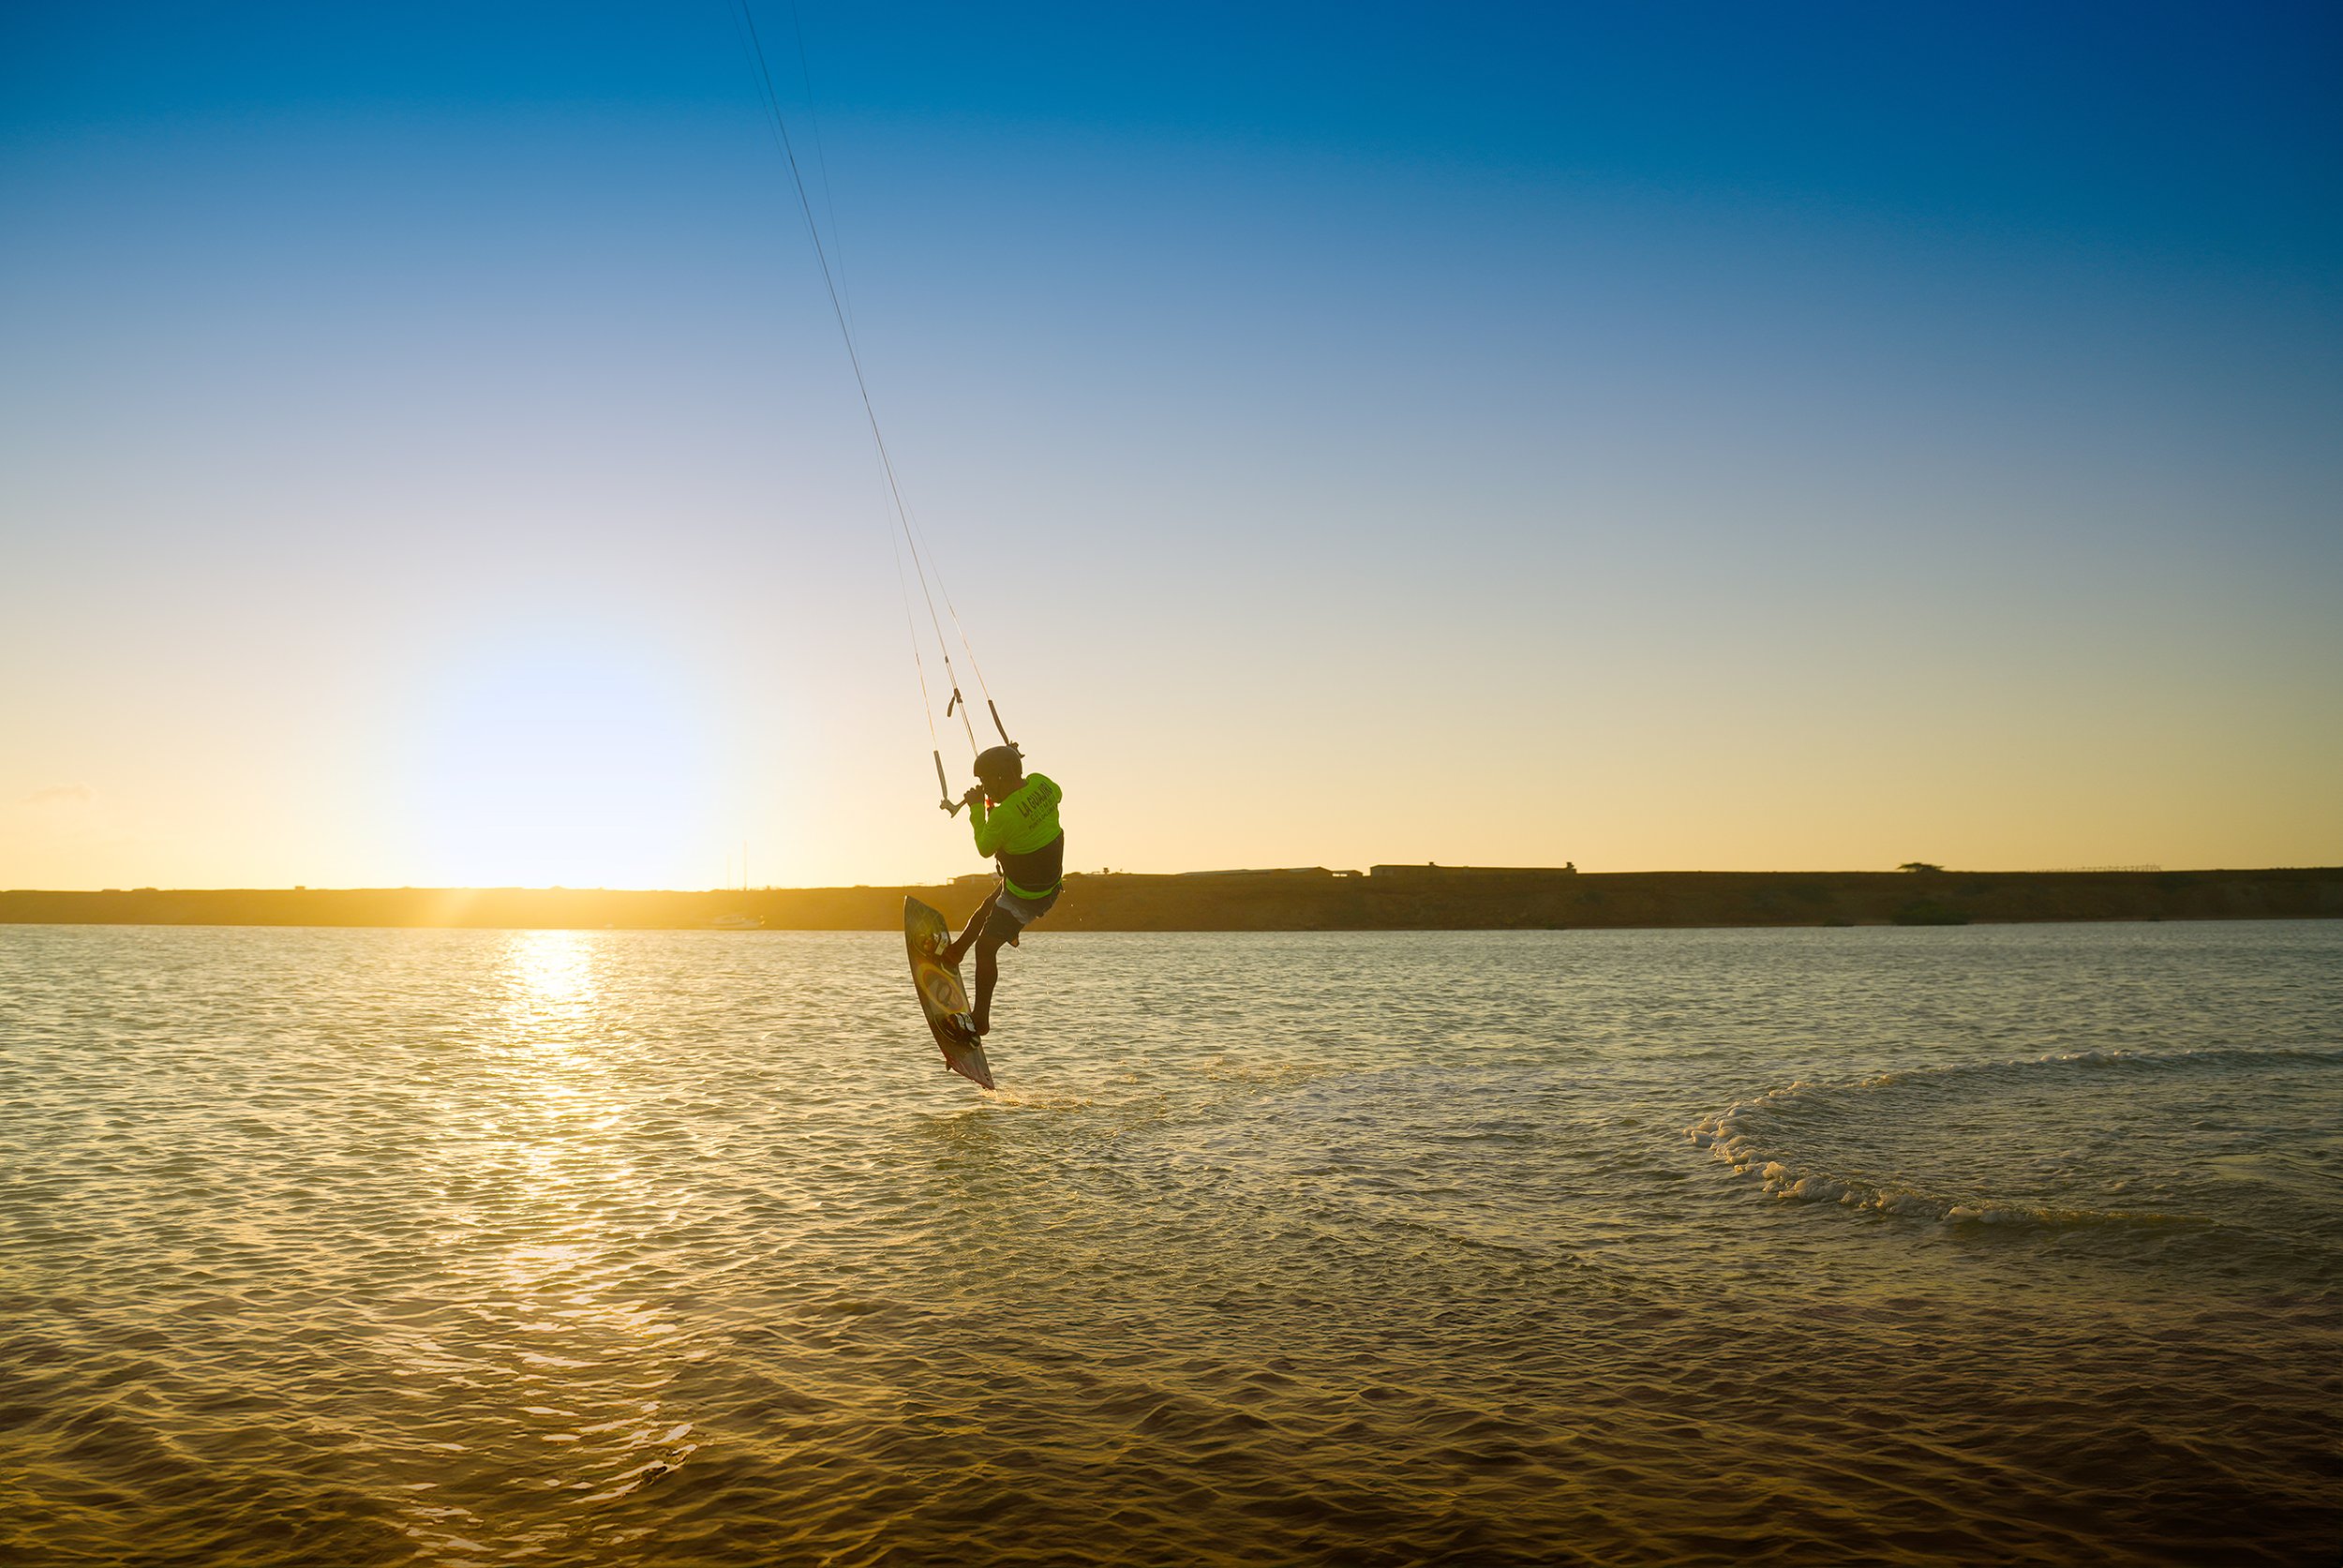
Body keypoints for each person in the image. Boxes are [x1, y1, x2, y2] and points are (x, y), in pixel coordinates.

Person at [936, 743, 1063, 1037]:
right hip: (1042, 882)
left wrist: (977, 808)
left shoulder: (1004, 817)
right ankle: (955, 952)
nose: (984, 788)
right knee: (986, 908)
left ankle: (981, 1019)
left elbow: (984, 847)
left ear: (1002, 778)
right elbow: (1054, 793)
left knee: (986, 947)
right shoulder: (1042, 783)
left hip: (1028, 896)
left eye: (986, 783)